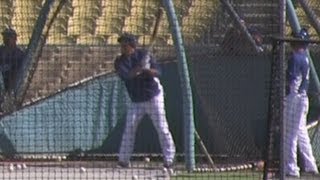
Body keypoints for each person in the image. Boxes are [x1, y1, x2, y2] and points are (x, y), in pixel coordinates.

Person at [114, 33, 176, 171]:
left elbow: (158, 72)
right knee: (129, 127)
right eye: (121, 45)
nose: (122, 48)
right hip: (136, 100)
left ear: (132, 46)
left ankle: (169, 159)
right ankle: (123, 160)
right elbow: (127, 76)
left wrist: (146, 69)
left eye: (125, 45)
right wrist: (138, 69)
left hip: (153, 96)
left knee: (162, 127)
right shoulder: (119, 61)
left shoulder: (144, 55)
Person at [284, 28, 319, 177]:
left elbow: (291, 81)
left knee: (289, 134)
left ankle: (291, 168)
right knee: (301, 133)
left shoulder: (295, 58)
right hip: (303, 99)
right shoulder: (305, 56)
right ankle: (311, 165)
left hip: (295, 98)